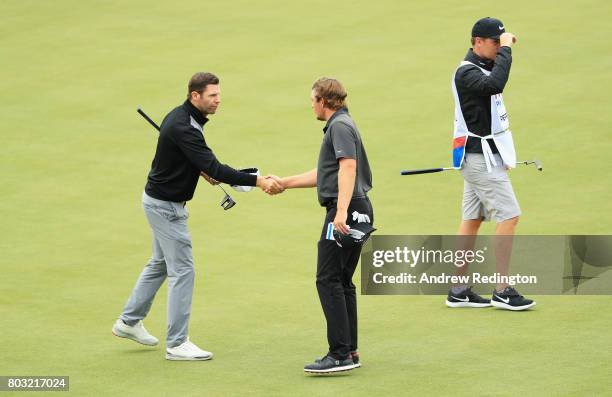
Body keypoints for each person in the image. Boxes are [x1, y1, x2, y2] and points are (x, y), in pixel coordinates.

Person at [112, 72, 283, 360]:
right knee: (183, 270)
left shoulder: (182, 118)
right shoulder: (185, 127)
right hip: (165, 208)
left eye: (218, 94)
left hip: (159, 201)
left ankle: (128, 322)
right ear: (195, 96)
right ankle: (177, 343)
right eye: (212, 95)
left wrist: (197, 168)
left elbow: (196, 161)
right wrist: (257, 181)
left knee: (160, 263)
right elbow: (215, 169)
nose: (218, 100)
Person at [271, 78, 374, 373]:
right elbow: (327, 172)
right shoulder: (343, 123)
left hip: (346, 211)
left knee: (327, 278)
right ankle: (349, 350)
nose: (311, 104)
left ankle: (339, 353)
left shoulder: (339, 126)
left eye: (313, 99)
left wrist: (340, 212)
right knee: (341, 280)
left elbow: (348, 167)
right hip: (359, 209)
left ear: (324, 100)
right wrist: (285, 183)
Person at [446, 17, 535, 311]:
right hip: (478, 159)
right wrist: (508, 51)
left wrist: (502, 154)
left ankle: (459, 289)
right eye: (495, 43)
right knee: (509, 216)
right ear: (477, 42)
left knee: (472, 220)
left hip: (481, 155)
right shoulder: (467, 73)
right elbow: (496, 84)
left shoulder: (482, 67)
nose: (499, 48)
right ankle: (502, 289)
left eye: (501, 42)